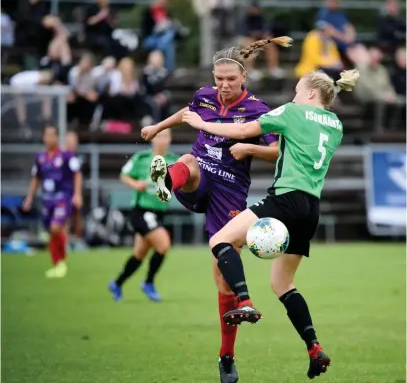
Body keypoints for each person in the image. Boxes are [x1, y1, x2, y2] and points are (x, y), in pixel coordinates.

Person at [182, 68, 360, 380]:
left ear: (309, 94)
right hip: (310, 209)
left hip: (285, 200)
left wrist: (199, 123)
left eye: (296, 90)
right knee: (283, 285)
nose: (292, 95)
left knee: (220, 242)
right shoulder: (335, 125)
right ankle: (314, 348)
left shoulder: (293, 111)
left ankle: (246, 301)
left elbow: (242, 129)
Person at [142, 36, 291, 383]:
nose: (223, 85)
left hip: (230, 194)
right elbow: (186, 114)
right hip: (199, 178)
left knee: (222, 281)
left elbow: (277, 152)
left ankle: (226, 357)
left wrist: (249, 149)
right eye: (218, 78)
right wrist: (158, 127)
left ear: (243, 79)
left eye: (230, 80)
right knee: (188, 159)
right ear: (213, 76)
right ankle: (168, 183)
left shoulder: (258, 110)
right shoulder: (204, 96)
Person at [109, 129, 178, 302]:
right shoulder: (141, 159)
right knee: (163, 245)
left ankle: (117, 283)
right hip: (142, 211)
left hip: (160, 212)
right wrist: (136, 184)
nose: (162, 140)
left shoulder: (174, 161)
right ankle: (148, 283)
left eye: (166, 137)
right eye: (159, 136)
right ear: (153, 139)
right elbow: (124, 175)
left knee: (139, 254)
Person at [22, 125, 83, 278]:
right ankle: (57, 263)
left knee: (56, 228)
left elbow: (77, 174)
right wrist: (29, 198)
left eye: (52, 135)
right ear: (44, 138)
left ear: (57, 137)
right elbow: (36, 179)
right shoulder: (40, 157)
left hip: (63, 197)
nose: (49, 138)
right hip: (47, 199)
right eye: (46, 135)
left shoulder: (67, 156)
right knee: (52, 231)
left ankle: (61, 260)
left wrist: (77, 194)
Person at [65, 130, 87, 251]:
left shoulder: (76, 158)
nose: (72, 143)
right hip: (63, 192)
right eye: (69, 140)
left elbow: (78, 175)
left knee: (77, 215)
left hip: (74, 192)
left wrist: (77, 194)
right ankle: (65, 242)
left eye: (74, 141)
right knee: (65, 217)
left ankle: (79, 240)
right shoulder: (62, 156)